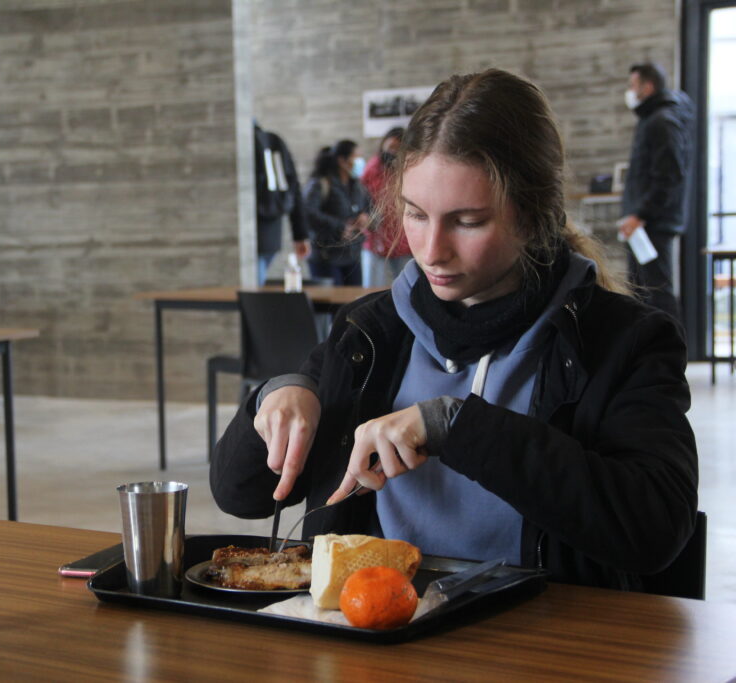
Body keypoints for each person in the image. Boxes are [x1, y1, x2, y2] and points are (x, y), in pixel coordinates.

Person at [211, 69, 697, 592]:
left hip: (545, 650)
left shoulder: (624, 341)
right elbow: (240, 495)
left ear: (533, 216)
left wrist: (457, 428)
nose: (431, 251)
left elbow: (655, 530)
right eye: (416, 215)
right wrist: (276, 395)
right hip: (377, 644)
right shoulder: (370, 332)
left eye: (467, 222)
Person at [618, 63, 694, 320]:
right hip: (643, 223)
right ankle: (648, 356)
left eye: (633, 85)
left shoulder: (662, 121)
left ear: (647, 87)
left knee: (657, 292)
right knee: (642, 292)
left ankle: (671, 357)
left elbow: (669, 176)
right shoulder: (652, 119)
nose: (629, 91)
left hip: (652, 223)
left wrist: (640, 214)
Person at [303, 140, 372, 286]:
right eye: (357, 157)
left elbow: (370, 207)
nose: (361, 161)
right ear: (342, 160)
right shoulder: (320, 184)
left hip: (353, 255)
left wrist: (365, 217)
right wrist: (339, 226)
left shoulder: (357, 185)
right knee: (332, 306)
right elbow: (308, 212)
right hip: (326, 256)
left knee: (355, 305)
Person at [254, 123, 311, 284]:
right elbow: (294, 189)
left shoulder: (250, 142)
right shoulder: (272, 141)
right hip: (271, 233)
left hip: (255, 234)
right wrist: (300, 234)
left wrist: (300, 234)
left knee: (251, 293)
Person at [360, 127, 412, 286]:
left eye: (398, 148)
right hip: (376, 237)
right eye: (390, 147)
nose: (393, 152)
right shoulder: (373, 167)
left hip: (404, 239)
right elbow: (361, 194)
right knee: (372, 288)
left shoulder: (409, 167)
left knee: (408, 288)